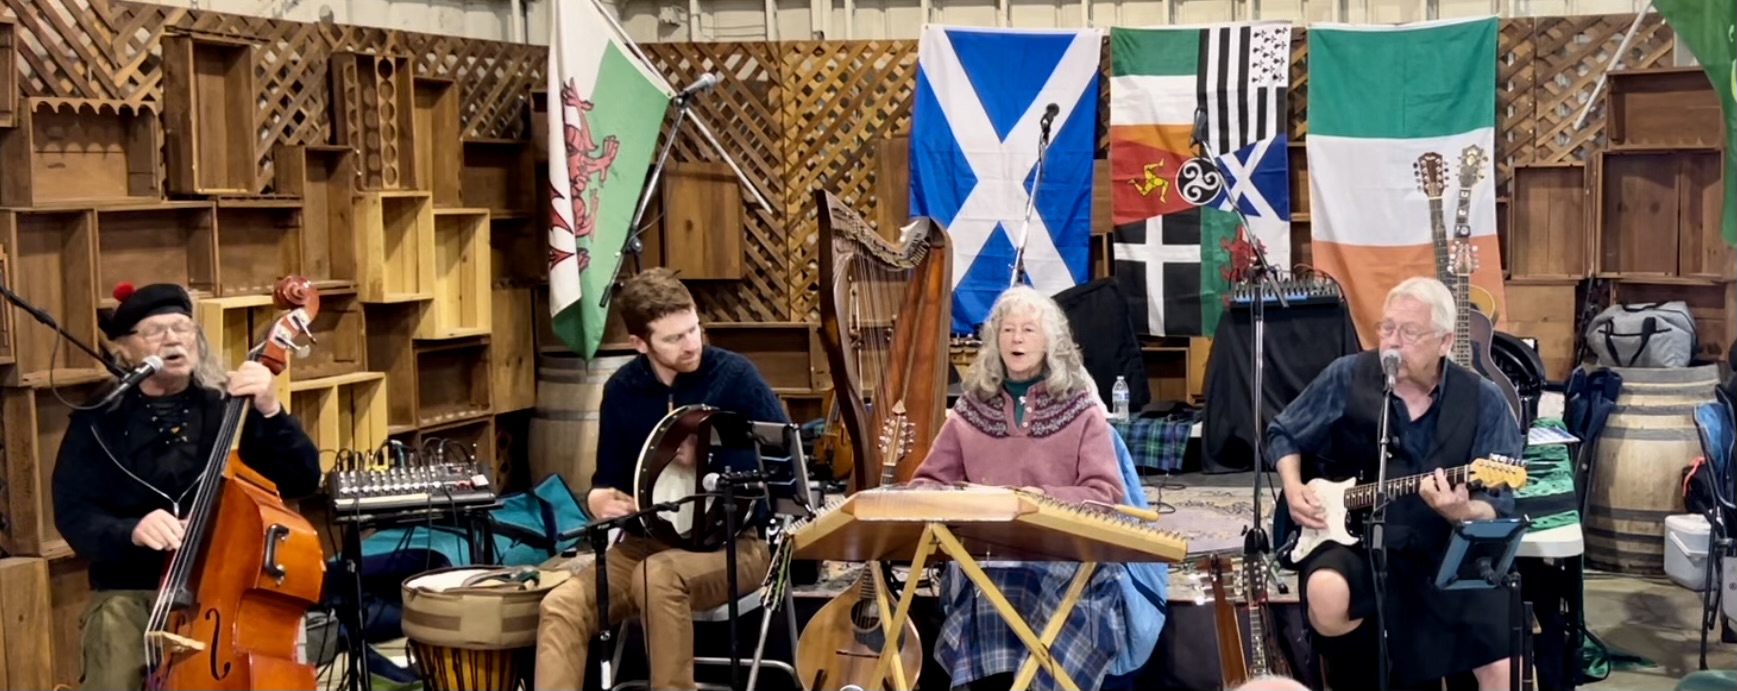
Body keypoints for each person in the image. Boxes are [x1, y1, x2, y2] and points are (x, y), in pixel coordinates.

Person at [50, 282, 322, 691]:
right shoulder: (97, 422)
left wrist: (270, 409)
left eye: (181, 327)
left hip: (225, 594)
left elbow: (302, 478)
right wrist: (131, 531)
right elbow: (74, 514)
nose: (172, 338)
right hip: (131, 596)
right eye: (154, 331)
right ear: (124, 350)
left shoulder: (229, 406)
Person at [1267, 276, 1526, 691]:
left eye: (1409, 332)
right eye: (1387, 328)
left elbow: (1499, 504)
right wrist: (1294, 486)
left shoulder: (1483, 399)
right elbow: (1284, 433)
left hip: (1442, 545)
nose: (1392, 342)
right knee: (1327, 592)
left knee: (1502, 665)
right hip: (1355, 540)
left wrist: (1462, 511)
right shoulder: (1347, 375)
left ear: (1444, 342)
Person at [536, 268, 789, 691]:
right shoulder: (622, 390)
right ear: (640, 343)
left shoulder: (735, 376)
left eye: (693, 329)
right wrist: (598, 499)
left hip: (734, 544)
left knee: (657, 577)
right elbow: (608, 478)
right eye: (674, 338)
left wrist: (711, 457)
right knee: (561, 605)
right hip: (643, 544)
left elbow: (783, 461)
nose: (691, 344)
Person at [908, 285, 1128, 691]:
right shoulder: (970, 409)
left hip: (1063, 557)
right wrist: (963, 501)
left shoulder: (1081, 408)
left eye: (1028, 330)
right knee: (987, 582)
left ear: (1050, 342)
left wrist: (1042, 501)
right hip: (983, 557)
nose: (1017, 339)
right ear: (995, 340)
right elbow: (927, 483)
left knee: (1034, 582)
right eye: (1007, 330)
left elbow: (1104, 492)